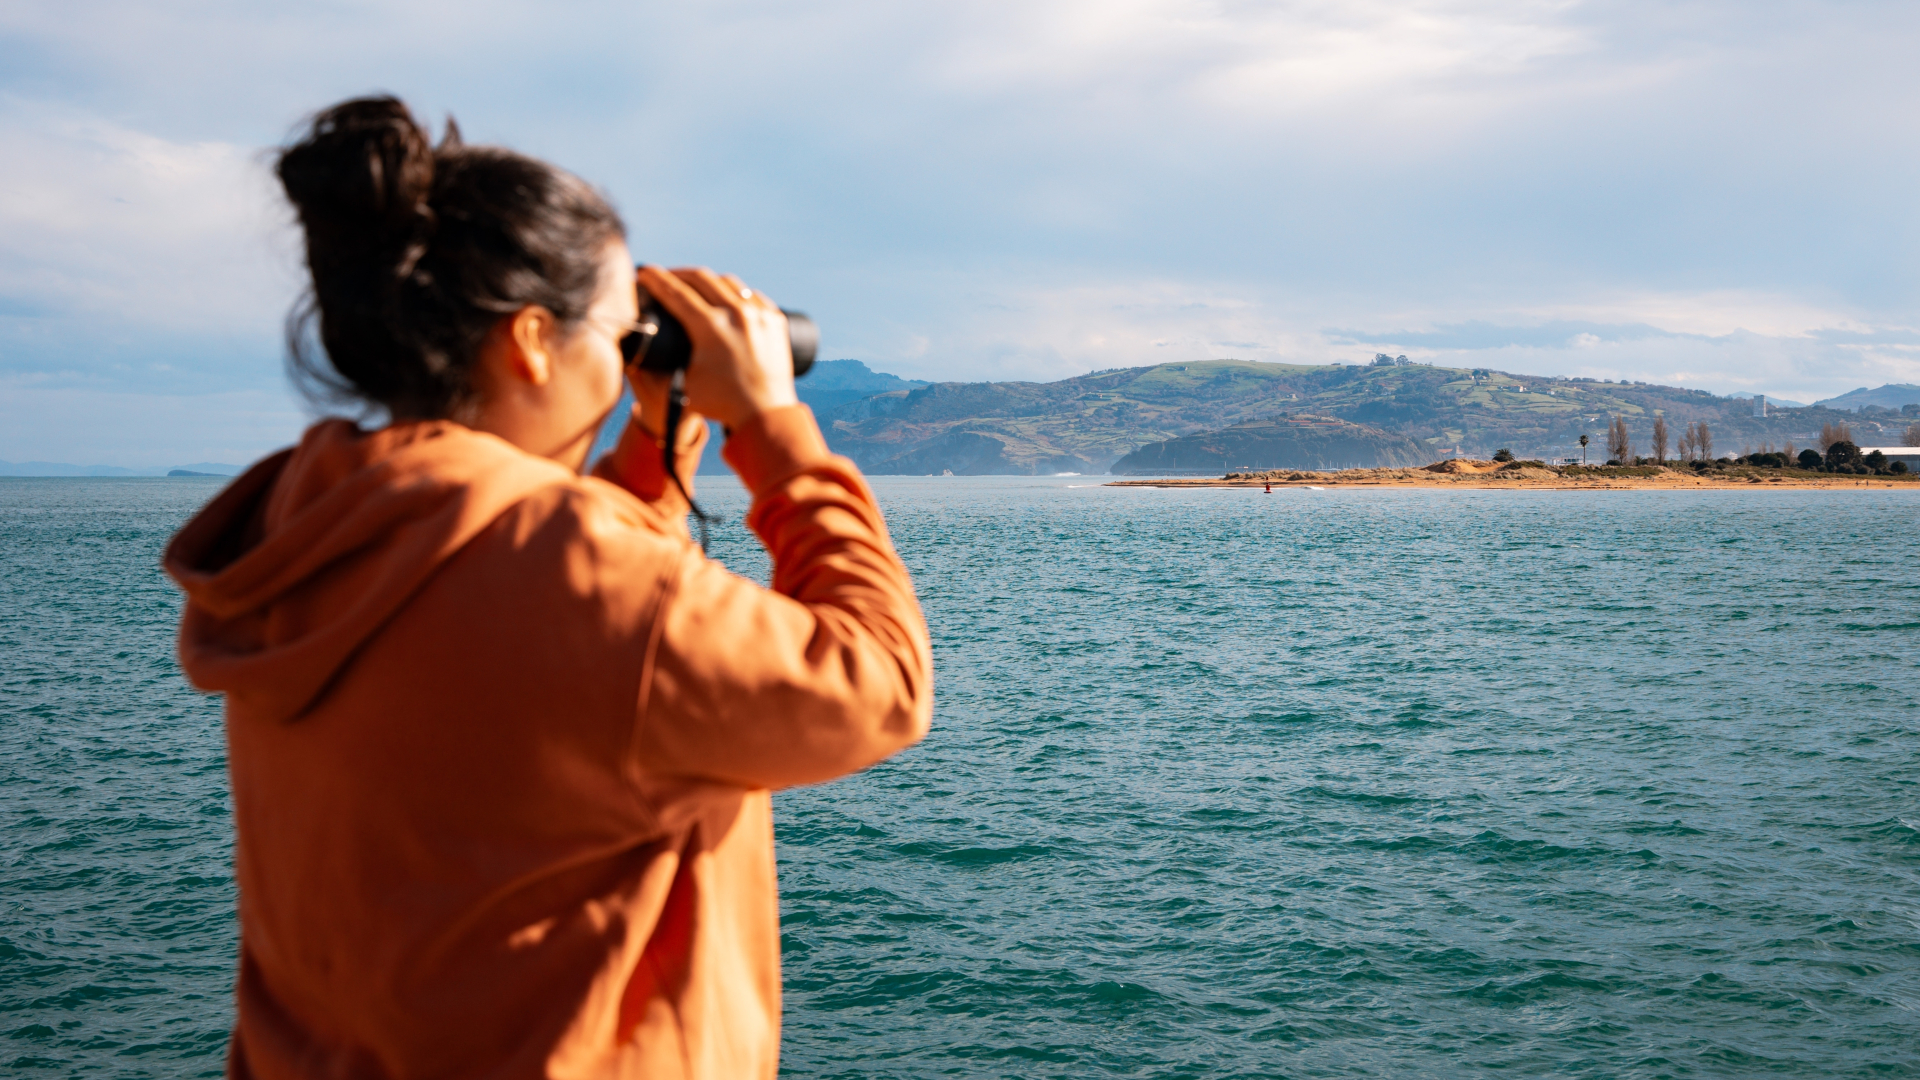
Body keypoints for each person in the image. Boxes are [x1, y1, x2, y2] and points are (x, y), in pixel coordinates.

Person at [163, 96, 932, 1079]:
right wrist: (777, 434)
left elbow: (562, 648)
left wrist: (656, 450)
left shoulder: (308, 525)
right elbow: (881, 683)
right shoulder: (561, 572)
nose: (627, 367)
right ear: (531, 339)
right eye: (623, 338)